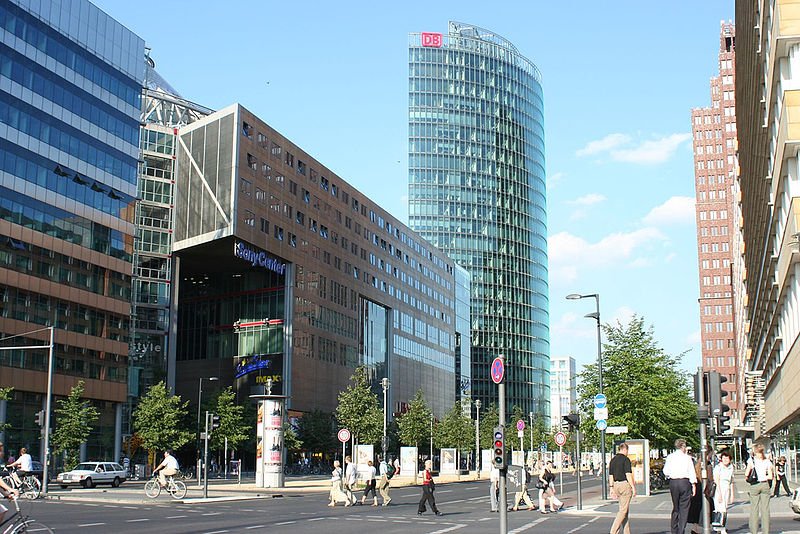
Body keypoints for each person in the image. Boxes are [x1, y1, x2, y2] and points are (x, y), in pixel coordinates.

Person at [662, 438, 697, 534]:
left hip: (673, 482)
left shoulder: (670, 457)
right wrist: (693, 484)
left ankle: (674, 529)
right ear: (683, 446)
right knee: (684, 508)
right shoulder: (687, 458)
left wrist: (670, 475)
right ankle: (681, 530)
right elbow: (691, 472)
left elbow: (665, 471)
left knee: (676, 507)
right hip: (684, 482)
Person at [745, 443, 773, 534]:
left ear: (755, 450)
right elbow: (770, 476)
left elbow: (746, 474)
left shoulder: (752, 460)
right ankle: (766, 531)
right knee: (765, 509)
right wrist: (763, 477)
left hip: (754, 485)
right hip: (765, 485)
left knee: (754, 508)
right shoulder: (767, 461)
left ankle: (754, 531)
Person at [609, 442, 635, 534]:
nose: (627, 452)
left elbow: (611, 475)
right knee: (623, 511)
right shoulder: (626, 460)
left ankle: (627, 532)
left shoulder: (613, 460)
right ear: (625, 449)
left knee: (625, 511)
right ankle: (613, 531)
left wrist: (611, 488)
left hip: (616, 485)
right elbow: (628, 474)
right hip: (624, 485)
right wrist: (633, 487)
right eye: (627, 450)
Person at [712, 450, 735, 534]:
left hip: (726, 488)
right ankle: (720, 528)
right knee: (720, 509)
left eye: (727, 458)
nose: (725, 460)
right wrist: (720, 494)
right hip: (719, 489)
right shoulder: (718, 467)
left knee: (724, 509)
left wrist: (732, 494)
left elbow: (732, 481)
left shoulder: (731, 467)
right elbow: (717, 480)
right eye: (724, 458)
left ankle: (720, 527)